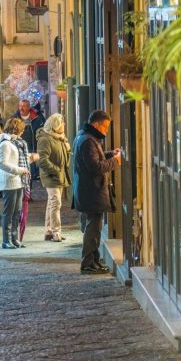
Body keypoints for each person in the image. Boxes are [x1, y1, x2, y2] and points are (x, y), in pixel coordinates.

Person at [73, 109, 121, 274]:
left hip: (90, 191)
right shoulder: (88, 140)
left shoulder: (86, 137)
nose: (106, 131)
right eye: (105, 127)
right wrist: (115, 161)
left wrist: (110, 154)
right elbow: (95, 167)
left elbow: (95, 158)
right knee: (93, 228)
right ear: (96, 124)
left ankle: (94, 260)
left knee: (95, 227)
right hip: (91, 191)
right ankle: (88, 263)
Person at [37, 113, 72, 242]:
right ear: (55, 125)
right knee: (56, 202)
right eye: (62, 123)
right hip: (51, 176)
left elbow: (65, 157)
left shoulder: (60, 138)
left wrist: (67, 149)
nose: (64, 125)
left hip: (59, 175)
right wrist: (56, 170)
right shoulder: (45, 139)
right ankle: (56, 231)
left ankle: (49, 231)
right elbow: (42, 160)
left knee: (52, 203)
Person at [0, 118, 31, 249]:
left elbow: (17, 159)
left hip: (19, 181)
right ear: (16, 129)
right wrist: (20, 170)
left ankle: (14, 238)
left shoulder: (15, 142)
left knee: (17, 211)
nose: (22, 132)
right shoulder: (5, 143)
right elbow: (2, 163)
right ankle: (6, 240)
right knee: (9, 212)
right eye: (21, 129)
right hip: (9, 181)